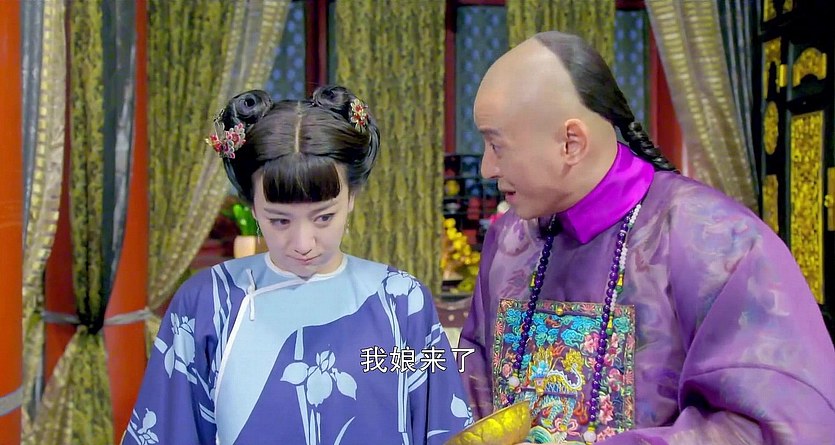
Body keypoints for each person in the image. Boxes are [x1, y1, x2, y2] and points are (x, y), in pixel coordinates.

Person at [459, 31, 835, 444]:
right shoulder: (509, 240)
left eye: (496, 145)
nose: (487, 169)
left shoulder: (718, 241)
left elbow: (778, 423)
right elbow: (471, 385)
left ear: (571, 143)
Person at [124, 86, 472, 445]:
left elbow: (445, 429)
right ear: (251, 205)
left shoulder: (400, 299)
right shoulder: (209, 301)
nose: (303, 244)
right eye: (280, 220)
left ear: (351, 197)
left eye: (323, 217)